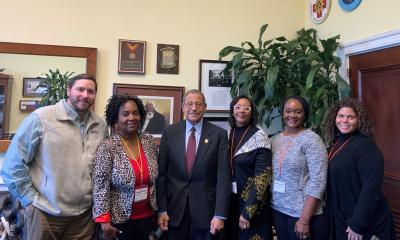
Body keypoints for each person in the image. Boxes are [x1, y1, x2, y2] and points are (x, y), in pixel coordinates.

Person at [0, 73, 108, 240]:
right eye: (80, 89)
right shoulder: (41, 118)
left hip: (83, 218)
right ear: (68, 90)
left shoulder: (100, 125)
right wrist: (30, 202)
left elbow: (101, 169)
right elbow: (12, 166)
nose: (85, 95)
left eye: (90, 91)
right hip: (44, 215)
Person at [156, 89, 231, 240]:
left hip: (207, 213)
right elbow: (161, 175)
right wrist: (162, 210)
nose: (194, 108)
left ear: (205, 107)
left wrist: (220, 214)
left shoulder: (219, 135)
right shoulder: (169, 132)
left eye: (198, 104)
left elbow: (223, 177)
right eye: (189, 104)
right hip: (174, 210)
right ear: (183, 107)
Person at [322, 98, 396, 239]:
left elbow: (371, 188)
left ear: (359, 120)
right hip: (343, 216)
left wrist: (357, 224)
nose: (344, 120)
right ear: (334, 118)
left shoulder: (366, 147)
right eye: (341, 116)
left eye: (350, 117)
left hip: (364, 222)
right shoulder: (336, 142)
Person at [92, 95, 159, 240]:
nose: (132, 117)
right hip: (118, 222)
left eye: (135, 113)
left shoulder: (149, 142)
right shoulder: (107, 147)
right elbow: (100, 187)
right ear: (115, 118)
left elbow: (155, 181)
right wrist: (104, 221)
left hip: (147, 218)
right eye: (125, 114)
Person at [271, 96, 328, 240]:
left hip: (302, 214)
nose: (292, 115)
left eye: (298, 112)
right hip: (278, 210)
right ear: (283, 113)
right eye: (288, 111)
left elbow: (318, 181)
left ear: (305, 114)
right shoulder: (277, 139)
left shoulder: (312, 140)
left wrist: (304, 219)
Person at [225, 95, 273, 240]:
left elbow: (262, 179)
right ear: (232, 111)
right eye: (238, 107)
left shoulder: (260, 137)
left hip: (252, 205)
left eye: (247, 108)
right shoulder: (228, 133)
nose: (242, 111)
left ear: (252, 112)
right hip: (230, 201)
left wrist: (248, 212)